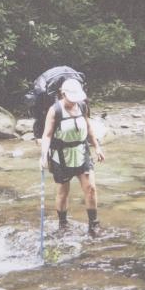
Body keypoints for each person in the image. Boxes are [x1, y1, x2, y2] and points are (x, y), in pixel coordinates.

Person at [40, 78, 105, 236]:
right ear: (63, 94)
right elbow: (47, 135)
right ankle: (63, 224)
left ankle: (93, 225)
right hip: (61, 156)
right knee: (63, 192)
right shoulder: (55, 110)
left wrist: (97, 147)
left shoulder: (82, 106)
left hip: (82, 153)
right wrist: (43, 156)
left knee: (90, 189)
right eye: (71, 97)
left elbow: (88, 127)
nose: (75, 101)